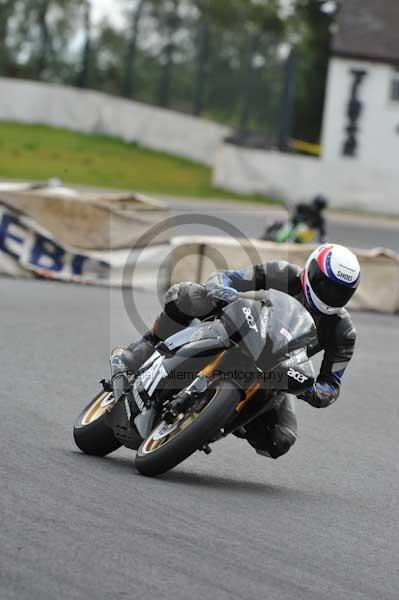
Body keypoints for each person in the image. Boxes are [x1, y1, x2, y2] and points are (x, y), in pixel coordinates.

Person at [120, 244, 360, 460]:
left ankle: (224, 419)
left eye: (340, 291)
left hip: (276, 373)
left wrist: (311, 391)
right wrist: (220, 289)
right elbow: (228, 277)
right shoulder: (284, 273)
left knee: (280, 440)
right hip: (243, 329)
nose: (331, 294)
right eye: (325, 285)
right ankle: (147, 345)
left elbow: (331, 386)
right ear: (312, 272)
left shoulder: (343, 332)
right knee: (189, 294)